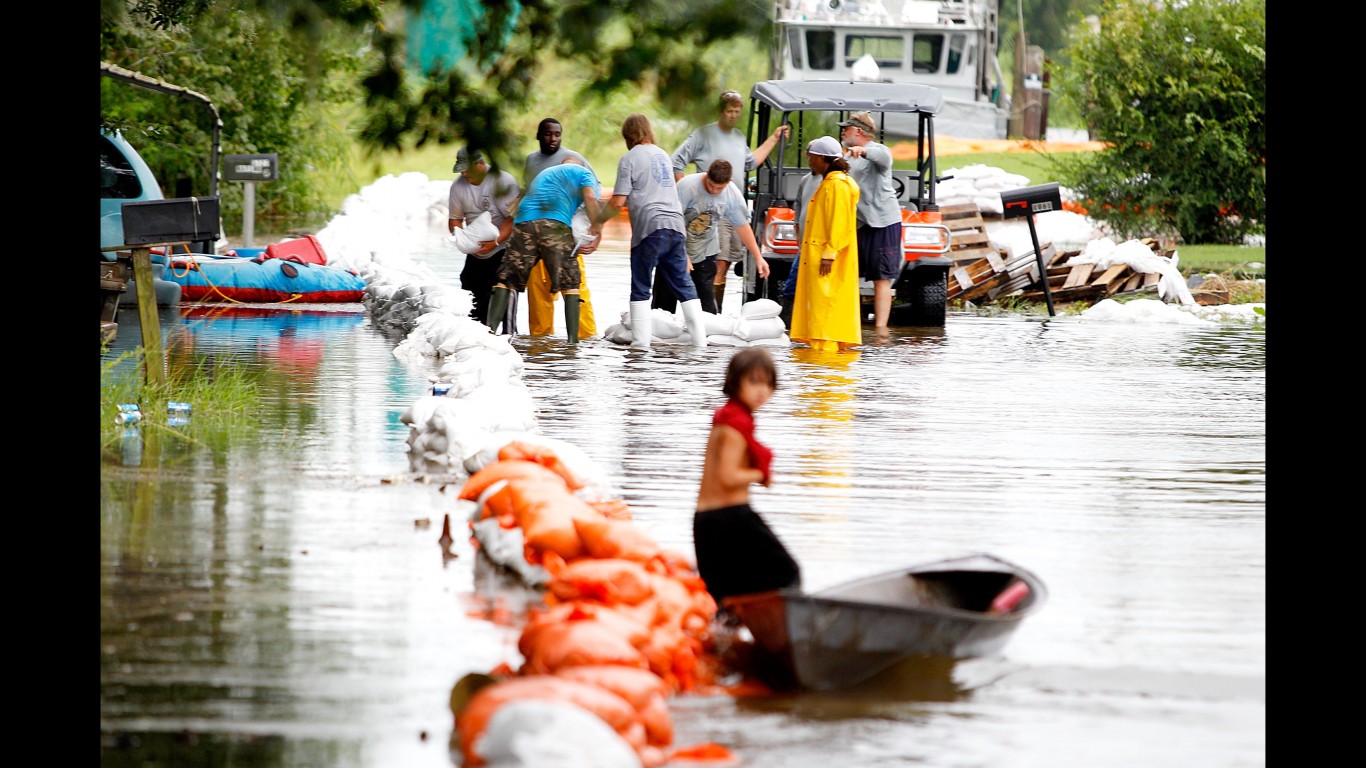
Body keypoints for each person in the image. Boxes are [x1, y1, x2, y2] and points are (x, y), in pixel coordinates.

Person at [693, 347, 801, 605]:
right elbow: (727, 477)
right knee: (787, 574)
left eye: (768, 383)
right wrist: (760, 473)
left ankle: (730, 642)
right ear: (734, 382)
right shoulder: (734, 426)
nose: (761, 391)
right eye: (753, 382)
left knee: (726, 596)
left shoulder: (725, 418)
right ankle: (786, 637)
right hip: (729, 517)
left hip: (706, 520)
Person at [589, 113, 707, 349]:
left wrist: (597, 223)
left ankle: (640, 347)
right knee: (684, 285)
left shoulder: (629, 158)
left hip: (650, 228)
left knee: (641, 286)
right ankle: (700, 344)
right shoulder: (662, 154)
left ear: (628, 136)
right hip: (676, 227)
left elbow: (617, 202)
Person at [672, 89, 790, 312]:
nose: (733, 116)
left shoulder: (738, 137)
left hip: (731, 205)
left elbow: (750, 163)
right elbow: (676, 162)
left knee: (724, 262)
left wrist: (773, 139)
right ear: (720, 111)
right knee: (713, 262)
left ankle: (715, 312)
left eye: (737, 111)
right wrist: (687, 193)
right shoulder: (702, 135)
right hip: (703, 209)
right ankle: (703, 310)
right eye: (729, 111)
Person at [485, 157, 602, 344]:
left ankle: (489, 334)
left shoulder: (544, 174)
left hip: (523, 222)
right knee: (570, 281)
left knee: (507, 279)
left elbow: (517, 204)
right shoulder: (584, 173)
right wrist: (598, 230)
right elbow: (590, 198)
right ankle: (572, 344)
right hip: (553, 224)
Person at [652, 159, 770, 315]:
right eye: (711, 185)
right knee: (664, 304)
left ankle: (705, 334)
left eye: (719, 188)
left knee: (706, 304)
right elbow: (672, 223)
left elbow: (742, 226)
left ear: (729, 182)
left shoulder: (731, 194)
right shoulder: (687, 187)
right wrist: (681, 253)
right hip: (673, 248)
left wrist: (758, 257)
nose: (714, 191)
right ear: (706, 175)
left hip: (705, 251)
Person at [522, 118, 599, 338]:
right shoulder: (531, 161)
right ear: (538, 135)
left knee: (575, 286)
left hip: (565, 234)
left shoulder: (574, 159)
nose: (553, 139)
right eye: (547, 134)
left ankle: (586, 337)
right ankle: (541, 340)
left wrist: (590, 230)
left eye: (557, 134)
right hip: (536, 235)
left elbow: (593, 192)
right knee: (538, 291)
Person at [788, 136, 861, 353]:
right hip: (818, 254)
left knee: (826, 305)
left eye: (812, 158)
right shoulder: (831, 183)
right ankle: (819, 350)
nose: (810, 162)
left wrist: (829, 253)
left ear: (822, 158)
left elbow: (839, 222)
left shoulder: (837, 186)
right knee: (820, 305)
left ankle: (825, 352)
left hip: (826, 257)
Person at [839, 111, 903, 335]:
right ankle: (849, 324)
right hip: (858, 223)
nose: (842, 133)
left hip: (884, 222)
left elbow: (881, 157)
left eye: (846, 129)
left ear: (858, 132)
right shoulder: (845, 157)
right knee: (848, 273)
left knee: (881, 277)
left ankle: (880, 330)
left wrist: (863, 151)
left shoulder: (879, 151)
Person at [448, 147, 520, 325]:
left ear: (480, 164)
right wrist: (461, 238)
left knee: (501, 292)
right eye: (461, 169)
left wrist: (495, 242)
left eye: (467, 169)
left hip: (504, 248)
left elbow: (514, 218)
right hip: (476, 251)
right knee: (471, 293)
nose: (464, 173)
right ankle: (477, 338)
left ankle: (507, 339)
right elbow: (455, 219)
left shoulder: (502, 181)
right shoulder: (458, 187)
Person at [777, 169, 818, 327]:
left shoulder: (835, 182)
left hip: (821, 245)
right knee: (791, 286)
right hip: (806, 245)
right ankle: (787, 326)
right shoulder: (806, 180)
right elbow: (799, 206)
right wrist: (797, 230)